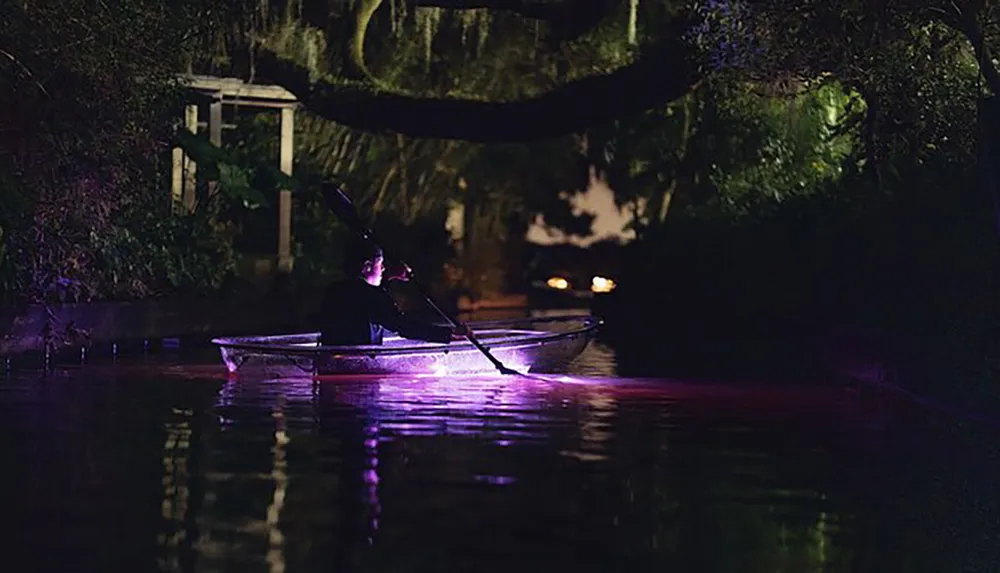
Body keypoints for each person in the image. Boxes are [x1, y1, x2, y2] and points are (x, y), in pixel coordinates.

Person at [318, 237, 468, 346]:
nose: (383, 269)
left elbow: (362, 297)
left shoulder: (333, 290)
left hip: (331, 365)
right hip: (360, 364)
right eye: (381, 264)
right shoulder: (373, 297)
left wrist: (390, 276)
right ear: (367, 267)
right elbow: (403, 325)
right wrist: (449, 334)